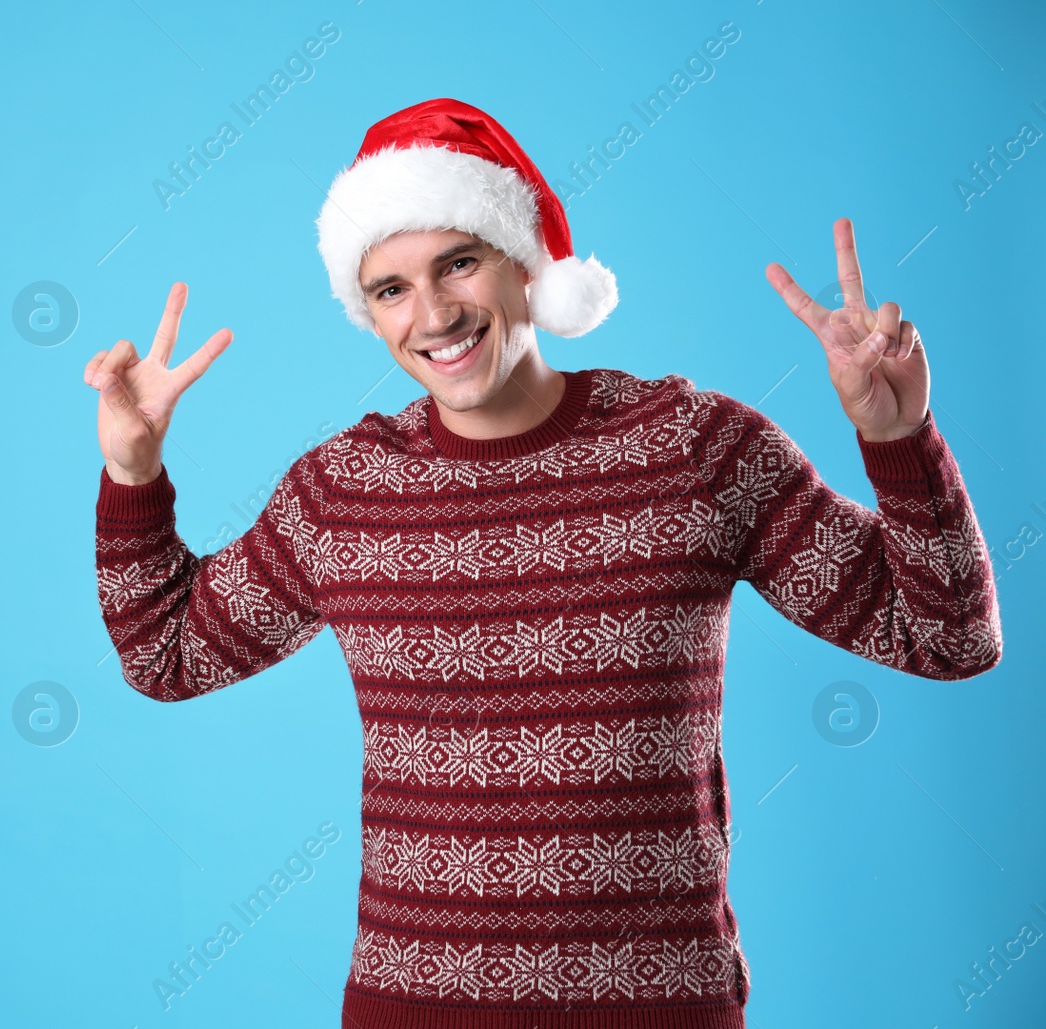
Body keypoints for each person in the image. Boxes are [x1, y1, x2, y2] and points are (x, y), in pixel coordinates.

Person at [85, 98, 1002, 1027]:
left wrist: (899, 437)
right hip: (412, 1009)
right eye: (391, 288)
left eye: (459, 262)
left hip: (660, 1007)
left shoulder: (694, 446)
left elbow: (948, 634)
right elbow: (169, 656)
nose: (434, 313)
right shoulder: (343, 490)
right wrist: (132, 468)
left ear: (525, 265)